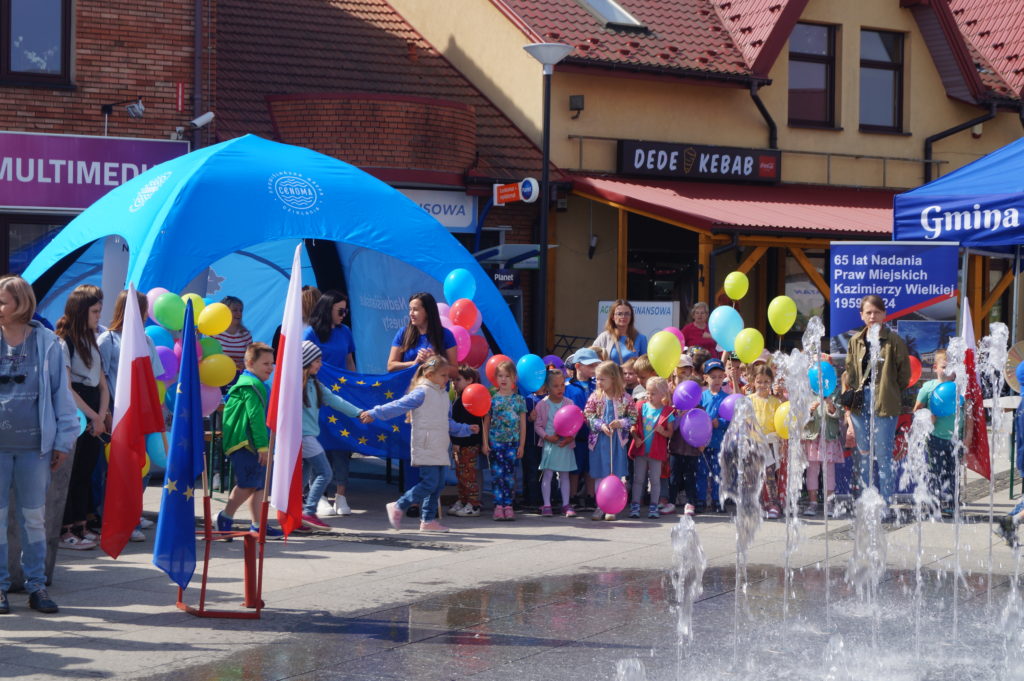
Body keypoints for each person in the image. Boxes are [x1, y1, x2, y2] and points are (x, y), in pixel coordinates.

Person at [0, 275, 77, 614]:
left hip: (35, 449)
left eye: (3, 300)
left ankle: (36, 586)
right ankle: (0, 587)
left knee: (33, 518)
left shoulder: (48, 343)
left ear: (22, 302)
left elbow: (63, 395)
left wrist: (63, 440)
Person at [362, 356, 477, 533]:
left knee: (437, 484)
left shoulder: (444, 395)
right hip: (426, 445)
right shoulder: (421, 392)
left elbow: (448, 423)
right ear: (430, 375)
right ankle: (399, 505)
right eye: (444, 375)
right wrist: (374, 413)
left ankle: (427, 520)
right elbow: (398, 405)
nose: (447, 380)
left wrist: (466, 429)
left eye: (448, 376)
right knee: (430, 482)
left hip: (439, 446)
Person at [97, 289, 165, 542]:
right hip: (118, 415)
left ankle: (134, 513)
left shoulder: (146, 340)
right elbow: (101, 379)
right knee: (120, 468)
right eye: (141, 309)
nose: (145, 314)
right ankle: (118, 518)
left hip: (142, 414)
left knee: (141, 467)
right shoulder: (108, 340)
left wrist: (158, 412)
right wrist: (105, 413)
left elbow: (155, 377)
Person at [844, 294, 910, 515]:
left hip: (885, 402)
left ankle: (885, 503)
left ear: (884, 314)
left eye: (876, 312)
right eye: (868, 312)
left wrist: (888, 391)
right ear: (861, 316)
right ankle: (865, 501)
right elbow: (850, 374)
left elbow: (904, 375)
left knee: (883, 455)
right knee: (863, 454)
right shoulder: (855, 341)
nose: (872, 316)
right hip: (860, 404)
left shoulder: (894, 341)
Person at [56, 286, 110, 550]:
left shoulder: (92, 340)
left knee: (87, 471)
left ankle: (81, 523)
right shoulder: (63, 341)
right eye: (95, 311)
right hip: (76, 409)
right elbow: (67, 387)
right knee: (72, 471)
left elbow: (102, 384)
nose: (99, 316)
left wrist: (101, 415)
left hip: (93, 408)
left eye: (99, 311)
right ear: (80, 311)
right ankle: (64, 528)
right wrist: (92, 416)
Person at [217, 343, 283, 539]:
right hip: (247, 444)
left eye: (272, 363)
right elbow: (255, 418)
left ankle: (258, 525)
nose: (270, 368)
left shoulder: (257, 384)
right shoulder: (250, 386)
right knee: (247, 484)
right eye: (266, 363)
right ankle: (225, 517)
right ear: (250, 363)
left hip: (254, 443)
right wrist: (263, 447)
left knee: (260, 486)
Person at [297, 341, 363, 530]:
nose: (320, 364)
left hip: (309, 436)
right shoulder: (295, 385)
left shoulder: (315, 384)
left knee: (303, 476)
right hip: (304, 437)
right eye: (317, 361)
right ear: (307, 361)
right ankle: (309, 511)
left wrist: (359, 413)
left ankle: (294, 513)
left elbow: (336, 401)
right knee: (325, 472)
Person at [303, 290, 357, 517]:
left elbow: (349, 362)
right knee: (321, 443)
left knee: (342, 446)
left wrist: (355, 388)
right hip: (317, 396)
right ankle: (320, 495)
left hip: (340, 395)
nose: (344, 315)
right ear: (327, 309)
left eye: (346, 310)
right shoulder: (312, 333)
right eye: (340, 310)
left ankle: (342, 495)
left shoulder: (346, 332)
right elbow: (303, 364)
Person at [913, 349, 966, 514]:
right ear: (935, 367)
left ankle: (951, 504)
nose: (948, 371)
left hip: (955, 439)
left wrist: (968, 437)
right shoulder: (927, 388)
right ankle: (933, 503)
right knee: (934, 471)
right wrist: (929, 417)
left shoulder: (959, 389)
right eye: (944, 366)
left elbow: (967, 413)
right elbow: (916, 411)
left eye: (951, 367)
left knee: (952, 472)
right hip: (934, 437)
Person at [584, 360, 637, 521]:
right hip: (600, 442)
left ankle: (612, 506)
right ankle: (600, 505)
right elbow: (588, 414)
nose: (598, 382)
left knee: (615, 474)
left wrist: (620, 423)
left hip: (617, 442)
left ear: (613, 378)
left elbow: (633, 417)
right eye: (597, 379)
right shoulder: (595, 397)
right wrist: (600, 425)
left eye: (602, 379)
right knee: (600, 474)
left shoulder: (626, 398)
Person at [482, 359, 527, 521]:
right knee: (497, 475)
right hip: (495, 443)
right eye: (500, 376)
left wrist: (521, 445)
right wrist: (485, 442)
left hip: (512, 444)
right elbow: (486, 423)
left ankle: (508, 505)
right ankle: (498, 506)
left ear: (514, 378)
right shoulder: (492, 399)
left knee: (509, 475)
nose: (503, 379)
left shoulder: (519, 400)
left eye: (507, 376)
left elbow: (523, 425)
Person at [628, 377, 676, 519]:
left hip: (656, 452)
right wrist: (636, 438)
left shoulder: (667, 411)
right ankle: (635, 504)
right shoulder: (641, 406)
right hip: (641, 450)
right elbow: (633, 426)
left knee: (655, 480)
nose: (649, 396)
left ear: (663, 394)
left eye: (653, 393)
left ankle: (654, 505)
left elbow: (670, 432)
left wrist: (663, 431)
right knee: (638, 479)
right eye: (648, 392)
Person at [532, 369, 577, 517]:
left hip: (565, 444)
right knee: (548, 474)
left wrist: (571, 437)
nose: (560, 389)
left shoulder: (569, 403)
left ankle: (566, 504)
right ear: (548, 388)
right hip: (550, 445)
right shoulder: (542, 405)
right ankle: (546, 505)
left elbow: (576, 422)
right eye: (556, 386)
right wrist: (546, 436)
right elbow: (537, 425)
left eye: (562, 385)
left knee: (565, 475)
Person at [387, 292, 457, 373]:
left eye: (415, 309)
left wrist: (434, 361)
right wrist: (414, 363)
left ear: (428, 311)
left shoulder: (446, 335)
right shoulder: (403, 333)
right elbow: (390, 366)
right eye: (410, 309)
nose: (411, 314)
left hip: (435, 385)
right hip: (409, 385)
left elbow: (455, 372)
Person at [802, 381, 843, 517]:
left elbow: (838, 414)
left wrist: (831, 405)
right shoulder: (809, 393)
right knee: (812, 471)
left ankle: (829, 502)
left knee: (829, 471)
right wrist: (810, 411)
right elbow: (803, 417)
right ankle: (812, 502)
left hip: (829, 437)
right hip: (813, 436)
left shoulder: (835, 392)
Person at [567, 348, 600, 510]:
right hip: (576, 435)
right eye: (590, 366)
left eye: (595, 365)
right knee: (574, 468)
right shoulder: (568, 387)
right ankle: (572, 497)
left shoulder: (597, 385)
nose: (594, 369)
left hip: (593, 434)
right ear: (578, 366)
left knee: (591, 468)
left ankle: (590, 496)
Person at [449, 364, 483, 517]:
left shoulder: (470, 400)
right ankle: (463, 500)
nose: (454, 383)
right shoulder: (459, 399)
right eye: (453, 380)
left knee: (468, 474)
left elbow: (466, 424)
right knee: (460, 474)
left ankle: (474, 505)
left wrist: (457, 441)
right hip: (460, 445)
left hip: (468, 444)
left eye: (458, 379)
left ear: (470, 380)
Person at [749, 365, 782, 519]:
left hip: (769, 443)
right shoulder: (749, 400)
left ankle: (774, 503)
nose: (762, 385)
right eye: (759, 381)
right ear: (753, 382)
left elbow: (781, 421)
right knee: (755, 476)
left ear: (771, 382)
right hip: (753, 443)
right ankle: (759, 504)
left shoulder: (775, 402)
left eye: (766, 382)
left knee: (769, 475)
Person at [698, 358, 730, 513]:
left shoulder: (726, 398)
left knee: (718, 473)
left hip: (719, 442)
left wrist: (721, 422)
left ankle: (718, 500)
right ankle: (701, 499)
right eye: (713, 376)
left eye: (719, 376)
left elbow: (731, 418)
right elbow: (695, 416)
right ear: (705, 378)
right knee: (702, 471)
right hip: (703, 443)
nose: (717, 380)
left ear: (724, 376)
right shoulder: (702, 397)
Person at [592, 300, 648, 365]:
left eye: (627, 314)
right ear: (613, 317)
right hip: (610, 375)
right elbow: (591, 357)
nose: (623, 317)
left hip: (630, 375)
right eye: (619, 314)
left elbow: (644, 365)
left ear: (631, 317)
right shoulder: (604, 337)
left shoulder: (641, 338)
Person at [212, 296, 252, 374]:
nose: (239, 313)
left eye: (241, 310)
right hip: (218, 375)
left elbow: (251, 358)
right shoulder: (214, 333)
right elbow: (209, 358)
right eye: (235, 310)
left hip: (239, 377)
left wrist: (244, 364)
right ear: (224, 312)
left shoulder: (245, 335)